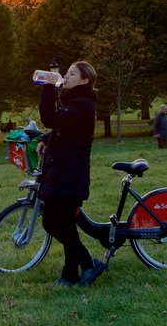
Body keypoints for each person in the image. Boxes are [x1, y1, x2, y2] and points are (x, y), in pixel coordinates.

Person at [35, 61, 106, 287]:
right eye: (66, 73)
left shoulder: (83, 104)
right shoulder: (77, 102)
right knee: (64, 224)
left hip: (69, 175)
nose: (66, 76)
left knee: (53, 223)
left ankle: (88, 263)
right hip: (63, 173)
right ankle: (69, 274)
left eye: (72, 74)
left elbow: (51, 119)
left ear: (85, 80)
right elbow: (67, 130)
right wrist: (46, 140)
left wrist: (48, 86)